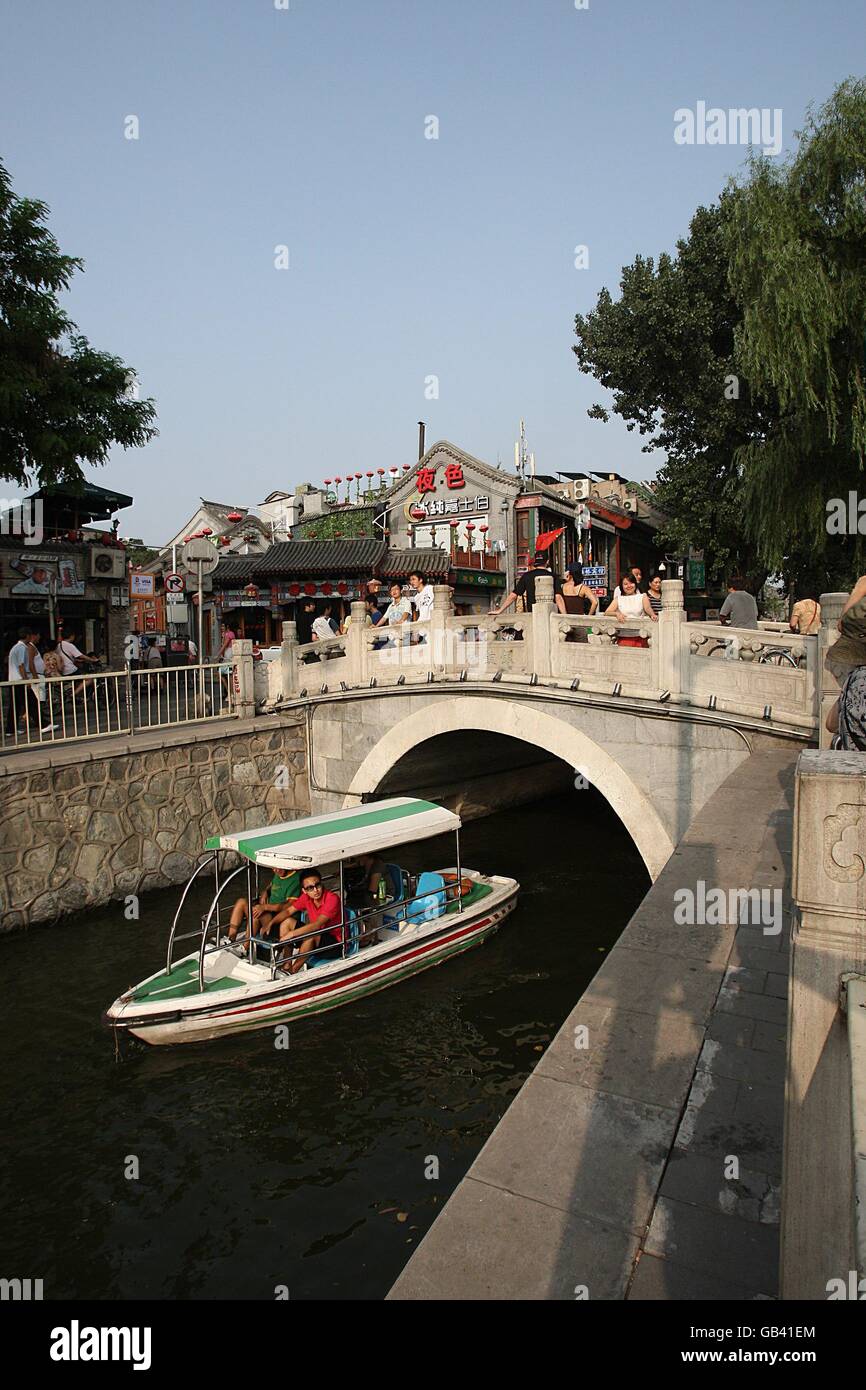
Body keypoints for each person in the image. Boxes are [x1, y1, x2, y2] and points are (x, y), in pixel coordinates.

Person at [277, 869, 344, 973]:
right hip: (317, 937)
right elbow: (288, 911)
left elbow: (317, 925)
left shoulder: (332, 898)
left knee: (311, 934)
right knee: (287, 922)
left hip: (335, 944)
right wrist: (270, 923)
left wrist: (292, 934)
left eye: (317, 885)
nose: (315, 890)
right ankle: (287, 965)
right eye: (310, 888)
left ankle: (293, 971)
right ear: (304, 891)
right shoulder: (306, 897)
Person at [226, 866, 300, 948]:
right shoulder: (278, 874)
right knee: (241, 902)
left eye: (278, 868)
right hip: (267, 913)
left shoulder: (295, 880)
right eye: (273, 868)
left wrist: (264, 907)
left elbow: (288, 906)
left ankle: (244, 948)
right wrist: (265, 892)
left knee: (256, 915)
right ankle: (230, 940)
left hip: (278, 919)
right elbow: (270, 887)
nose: (275, 871)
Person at [492, 551, 566, 615]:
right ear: (547, 561)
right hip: (550, 614)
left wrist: (500, 610)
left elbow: (514, 595)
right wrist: (565, 615)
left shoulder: (527, 576)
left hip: (532, 614)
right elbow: (558, 597)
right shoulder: (553, 576)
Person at [345, 852, 387, 947]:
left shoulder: (377, 867)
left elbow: (373, 888)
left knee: (364, 904)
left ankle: (370, 935)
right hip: (369, 892)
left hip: (382, 893)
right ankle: (357, 933)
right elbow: (354, 865)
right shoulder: (363, 862)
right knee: (350, 901)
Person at [605, 571, 658, 645]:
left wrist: (653, 615)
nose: (629, 586)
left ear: (635, 584)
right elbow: (607, 612)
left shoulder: (642, 596)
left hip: (640, 635)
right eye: (625, 584)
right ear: (621, 586)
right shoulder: (618, 599)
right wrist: (616, 613)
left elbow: (648, 609)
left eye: (631, 583)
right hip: (623, 636)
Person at [5, 626, 39, 737]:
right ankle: (43, 724)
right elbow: (21, 665)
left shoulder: (15, 647)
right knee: (31, 702)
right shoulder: (21, 648)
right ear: (28, 636)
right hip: (19, 680)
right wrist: (26, 681)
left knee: (15, 706)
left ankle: (10, 729)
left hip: (14, 680)